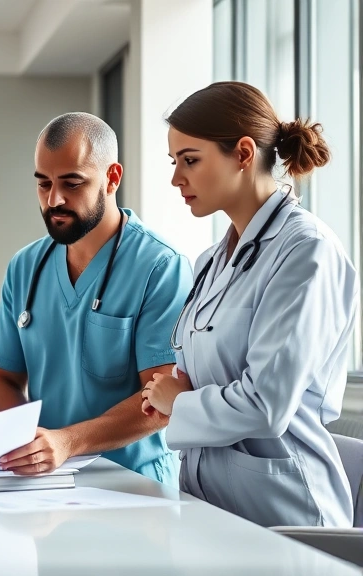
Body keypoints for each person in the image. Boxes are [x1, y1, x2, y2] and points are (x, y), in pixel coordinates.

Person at [143, 81, 357, 527]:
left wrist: (178, 403)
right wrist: (171, 394)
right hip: (210, 504)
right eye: (174, 162)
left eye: (190, 160)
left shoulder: (305, 251)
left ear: (242, 154)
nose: (176, 178)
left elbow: (266, 403)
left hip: (284, 508)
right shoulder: (211, 262)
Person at [0, 113, 192, 484]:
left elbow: (163, 401)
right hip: (45, 483)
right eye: (43, 184)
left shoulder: (160, 266)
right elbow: (3, 379)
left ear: (112, 178)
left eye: (72, 183)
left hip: (134, 488)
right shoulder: (25, 267)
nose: (54, 199)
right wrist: (25, 446)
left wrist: (68, 442)